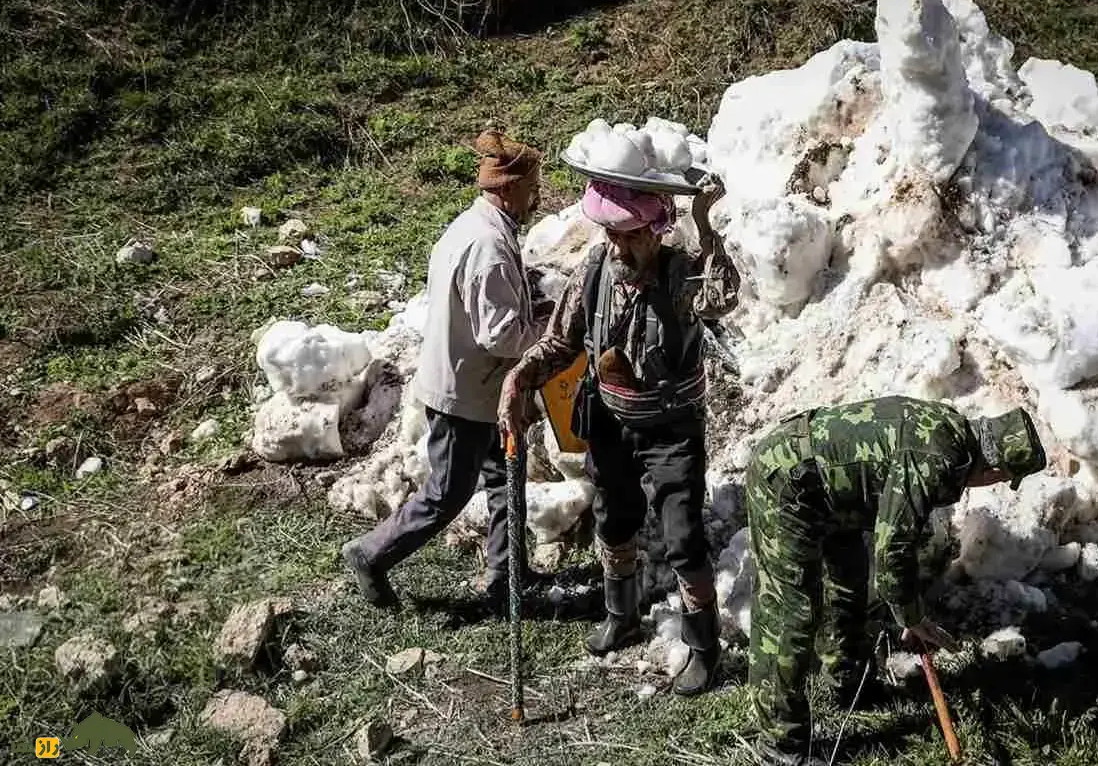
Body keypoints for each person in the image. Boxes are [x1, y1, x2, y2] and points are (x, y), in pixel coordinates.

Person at [498, 175, 741, 696]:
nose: (617, 244)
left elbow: (723, 298)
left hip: (670, 429)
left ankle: (704, 648)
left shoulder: (680, 274)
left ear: (655, 229)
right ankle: (621, 614)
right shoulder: (596, 268)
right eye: (610, 232)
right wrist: (520, 377)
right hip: (610, 419)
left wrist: (703, 224)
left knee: (682, 536)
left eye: (629, 234)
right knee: (613, 517)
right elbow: (562, 341)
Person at [744, 395, 1047, 764]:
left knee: (849, 585)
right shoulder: (938, 456)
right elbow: (893, 551)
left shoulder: (955, 436)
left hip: (833, 492)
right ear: (996, 469)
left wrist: (907, 607)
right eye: (1002, 479)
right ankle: (780, 744)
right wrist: (912, 616)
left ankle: (846, 683)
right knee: (791, 613)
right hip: (788, 481)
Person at [341, 128, 552, 613]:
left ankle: (507, 574)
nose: (536, 198)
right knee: (445, 495)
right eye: (531, 188)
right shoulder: (490, 247)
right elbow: (498, 335)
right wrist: (543, 330)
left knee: (506, 477)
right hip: (465, 394)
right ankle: (370, 554)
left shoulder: (472, 227)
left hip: (472, 385)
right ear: (507, 188)